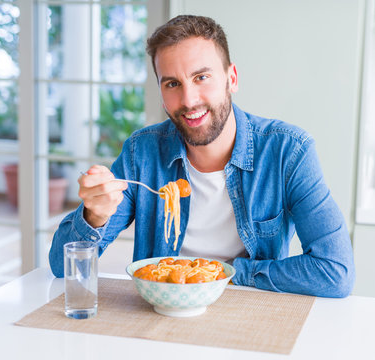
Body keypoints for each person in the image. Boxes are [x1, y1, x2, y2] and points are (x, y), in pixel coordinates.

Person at [49, 15, 355, 297]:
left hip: (249, 309)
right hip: (159, 312)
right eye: (172, 84)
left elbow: (336, 272)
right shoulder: (141, 152)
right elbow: (62, 268)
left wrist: (227, 274)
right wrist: (95, 216)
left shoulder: (288, 151)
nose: (189, 100)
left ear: (231, 78)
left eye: (201, 77)